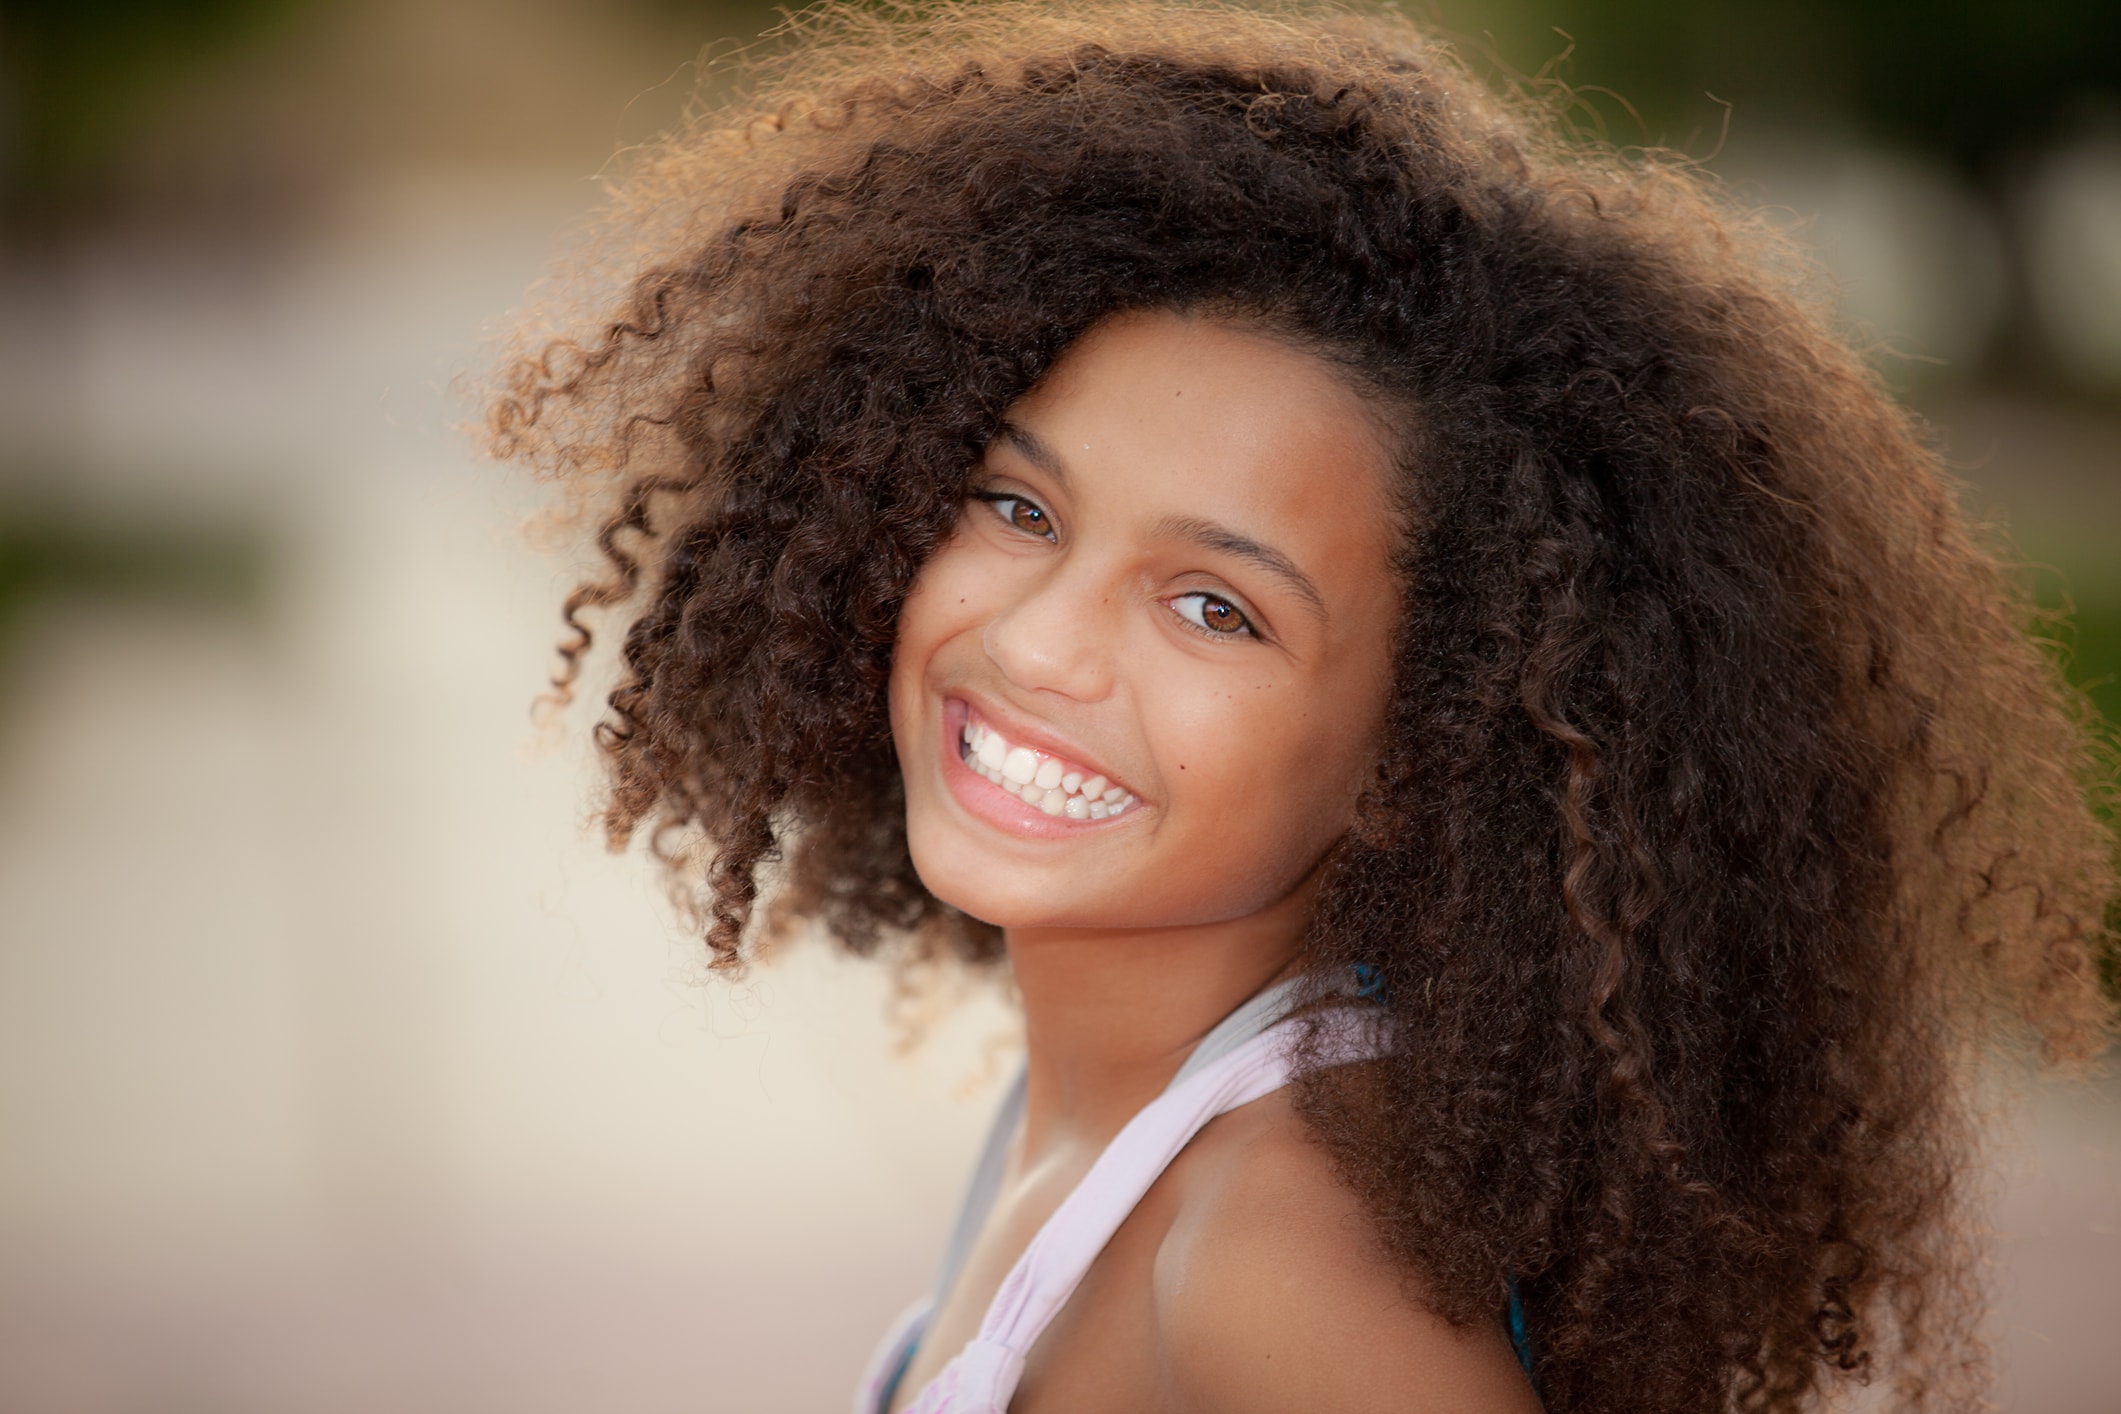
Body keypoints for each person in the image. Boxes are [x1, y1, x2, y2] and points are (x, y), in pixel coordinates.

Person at [481, 4, 2116, 1411]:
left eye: (1215, 606)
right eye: (1017, 507)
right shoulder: (1127, 1110)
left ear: (1420, 750)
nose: (1043, 644)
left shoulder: (1277, 1255)